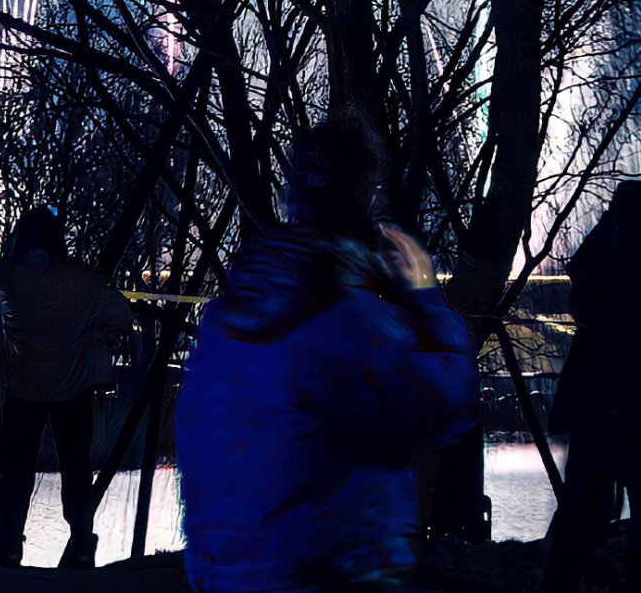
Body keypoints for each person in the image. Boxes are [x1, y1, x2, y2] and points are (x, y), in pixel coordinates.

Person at [175, 116, 479, 593]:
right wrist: (422, 296)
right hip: (324, 575)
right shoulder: (349, 327)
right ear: (362, 207)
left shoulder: (222, 321)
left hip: (223, 575)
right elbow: (449, 407)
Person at [0, 205, 134, 568]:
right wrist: (99, 340)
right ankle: (80, 541)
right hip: (72, 389)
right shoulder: (84, 281)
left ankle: (9, 544)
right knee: (76, 468)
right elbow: (121, 318)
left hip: (22, 388)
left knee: (17, 470)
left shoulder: (7, 279)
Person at [542, 180, 641, 592]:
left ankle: (560, 581)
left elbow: (584, 299)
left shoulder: (603, 260)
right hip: (624, 402)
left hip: (598, 402)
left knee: (583, 508)